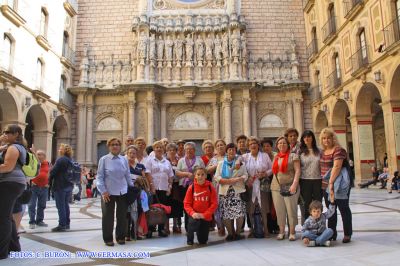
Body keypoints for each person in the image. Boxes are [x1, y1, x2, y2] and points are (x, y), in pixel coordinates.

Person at [97, 138, 133, 246]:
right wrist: (103, 191)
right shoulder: (104, 159)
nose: (115, 146)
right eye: (112, 144)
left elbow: (127, 175)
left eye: (117, 144)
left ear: (120, 146)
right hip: (108, 192)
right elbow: (99, 177)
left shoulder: (124, 159)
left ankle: (121, 236)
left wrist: (131, 188)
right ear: (109, 146)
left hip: (122, 191)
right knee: (108, 215)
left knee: (122, 216)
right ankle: (108, 238)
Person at [319, 127, 352, 243]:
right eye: (323, 138)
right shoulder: (322, 152)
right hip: (326, 186)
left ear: (333, 138)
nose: (326, 140)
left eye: (328, 138)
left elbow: (337, 167)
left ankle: (347, 233)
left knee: (343, 208)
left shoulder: (339, 150)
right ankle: (332, 233)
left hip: (338, 185)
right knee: (331, 210)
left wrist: (331, 183)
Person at [0, 125, 27, 259]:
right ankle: (14, 247)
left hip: (10, 183)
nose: (4, 134)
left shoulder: (13, 148)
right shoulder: (9, 146)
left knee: (2, 217)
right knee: (7, 216)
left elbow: (7, 167)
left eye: (8, 132)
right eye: (3, 132)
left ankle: (2, 252)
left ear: (16, 134)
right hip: (12, 183)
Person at [214, 143, 247, 241]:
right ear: (226, 151)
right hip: (225, 192)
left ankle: (237, 233)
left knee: (239, 213)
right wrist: (227, 181)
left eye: (233, 149)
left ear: (235, 150)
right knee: (226, 214)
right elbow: (217, 176)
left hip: (238, 191)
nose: (231, 151)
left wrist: (239, 178)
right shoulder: (221, 163)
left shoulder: (241, 163)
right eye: (229, 150)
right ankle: (230, 233)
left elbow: (246, 175)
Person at [271, 136, 301, 241]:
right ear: (277, 146)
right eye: (279, 143)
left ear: (288, 145)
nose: (282, 145)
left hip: (290, 186)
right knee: (280, 210)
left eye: (284, 143)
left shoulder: (293, 156)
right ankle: (282, 231)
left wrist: (294, 184)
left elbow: (297, 171)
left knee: (291, 209)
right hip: (276, 187)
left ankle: (292, 231)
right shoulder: (275, 157)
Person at [242, 136, 273, 238]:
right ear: (248, 146)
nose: (253, 145)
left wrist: (265, 174)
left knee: (263, 207)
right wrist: (247, 178)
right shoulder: (245, 157)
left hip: (262, 185)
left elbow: (272, 169)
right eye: (250, 144)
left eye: (254, 143)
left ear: (258, 145)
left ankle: (266, 229)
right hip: (250, 186)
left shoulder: (265, 156)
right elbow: (241, 170)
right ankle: (252, 229)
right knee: (250, 208)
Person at [145, 140, 174, 238]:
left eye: (161, 147)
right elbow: (147, 173)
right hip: (153, 188)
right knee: (152, 209)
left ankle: (161, 229)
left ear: (164, 149)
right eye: (157, 147)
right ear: (154, 149)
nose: (159, 149)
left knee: (162, 209)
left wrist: (169, 187)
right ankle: (150, 229)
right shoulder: (150, 160)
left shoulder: (167, 162)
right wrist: (152, 185)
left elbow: (170, 175)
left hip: (164, 188)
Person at [184, 166, 218, 245]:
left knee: (203, 241)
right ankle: (190, 238)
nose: (200, 177)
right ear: (195, 176)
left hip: (205, 216)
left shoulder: (210, 187)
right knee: (191, 224)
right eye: (198, 174)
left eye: (202, 174)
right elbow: (186, 204)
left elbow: (214, 203)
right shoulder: (191, 187)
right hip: (194, 215)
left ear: (206, 176)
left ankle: (201, 232)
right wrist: (193, 213)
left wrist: (205, 215)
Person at [176, 142, 205, 232]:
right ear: (184, 150)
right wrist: (186, 174)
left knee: (197, 206)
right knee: (187, 207)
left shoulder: (199, 160)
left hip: (197, 187)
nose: (189, 150)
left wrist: (196, 175)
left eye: (191, 149)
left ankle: (198, 226)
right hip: (184, 187)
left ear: (195, 150)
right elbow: (177, 173)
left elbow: (204, 172)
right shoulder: (181, 160)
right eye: (187, 149)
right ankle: (188, 228)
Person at [49, 143, 75, 232]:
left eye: (61, 148)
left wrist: (49, 177)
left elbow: (53, 172)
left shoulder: (61, 160)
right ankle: (67, 223)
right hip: (68, 185)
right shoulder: (70, 160)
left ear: (65, 150)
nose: (59, 149)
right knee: (65, 205)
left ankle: (62, 224)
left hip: (60, 185)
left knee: (60, 206)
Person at [299, 130, 322, 220]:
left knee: (318, 204)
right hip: (305, 180)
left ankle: (319, 226)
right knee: (306, 205)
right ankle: (307, 228)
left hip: (318, 180)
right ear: (302, 139)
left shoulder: (319, 151)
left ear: (312, 138)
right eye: (305, 137)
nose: (307, 138)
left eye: (309, 136)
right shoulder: (300, 152)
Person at [125, 145, 146, 241]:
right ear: (127, 154)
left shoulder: (140, 166)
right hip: (127, 191)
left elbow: (144, 179)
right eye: (130, 153)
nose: (132, 155)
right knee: (127, 212)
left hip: (138, 191)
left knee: (138, 210)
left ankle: (135, 232)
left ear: (136, 154)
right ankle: (127, 233)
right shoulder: (124, 165)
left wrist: (140, 180)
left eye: (134, 153)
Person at [28, 149, 50, 229]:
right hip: (34, 186)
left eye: (40, 154)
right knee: (32, 205)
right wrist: (30, 180)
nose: (38, 156)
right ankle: (32, 221)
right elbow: (28, 172)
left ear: (44, 156)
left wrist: (48, 182)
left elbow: (49, 173)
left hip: (44, 187)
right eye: (37, 154)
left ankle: (39, 221)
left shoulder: (47, 163)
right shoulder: (33, 163)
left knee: (42, 205)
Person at [166, 143, 183, 234]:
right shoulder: (164, 161)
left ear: (176, 151)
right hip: (167, 186)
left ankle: (177, 225)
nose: (172, 151)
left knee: (177, 205)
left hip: (177, 186)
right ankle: (167, 226)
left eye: (174, 150)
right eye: (170, 150)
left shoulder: (180, 161)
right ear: (167, 151)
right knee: (168, 205)